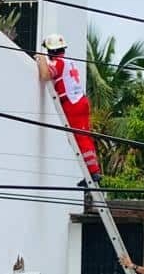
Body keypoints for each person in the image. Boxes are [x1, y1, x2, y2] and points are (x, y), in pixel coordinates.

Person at [35, 33, 102, 183]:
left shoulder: (57, 63)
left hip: (72, 104)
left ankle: (92, 173)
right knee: (85, 135)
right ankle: (93, 171)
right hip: (81, 101)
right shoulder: (69, 62)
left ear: (50, 51)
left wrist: (40, 59)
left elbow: (44, 76)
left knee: (79, 138)